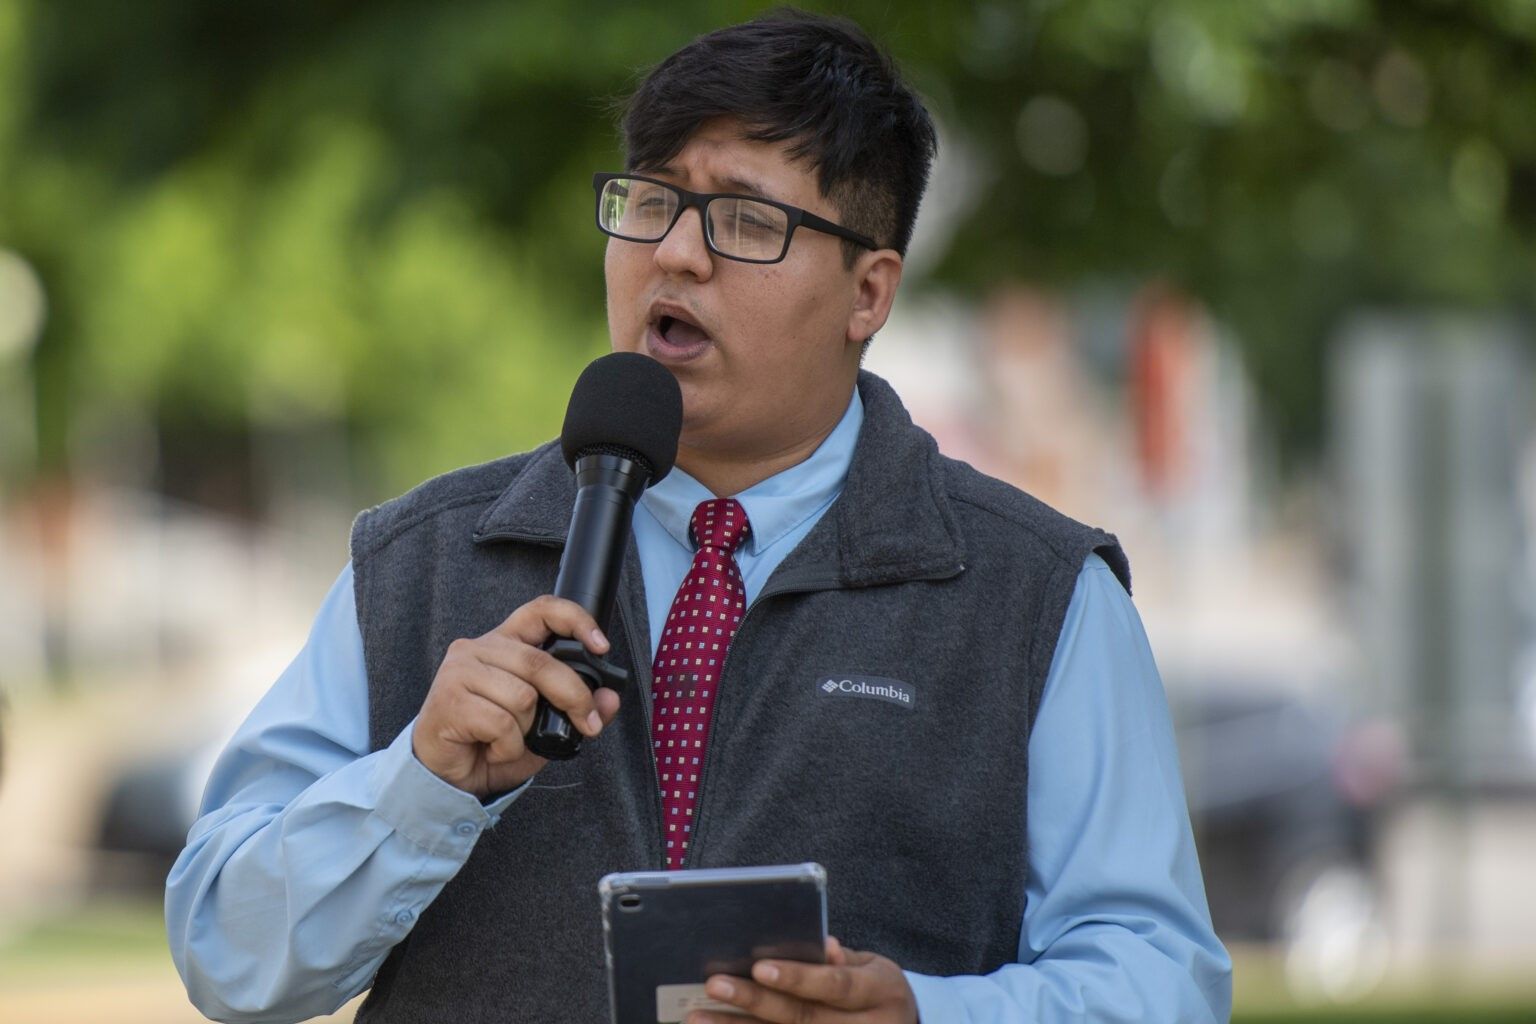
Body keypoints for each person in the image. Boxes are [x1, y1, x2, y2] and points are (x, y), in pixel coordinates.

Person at [166, 10, 1231, 1023]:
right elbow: (227, 953)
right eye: (650, 203)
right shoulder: (424, 561)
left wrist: (926, 1010)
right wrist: (422, 781)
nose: (675, 253)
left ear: (869, 292)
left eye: (745, 220)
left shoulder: (1037, 595)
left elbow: (1160, 981)